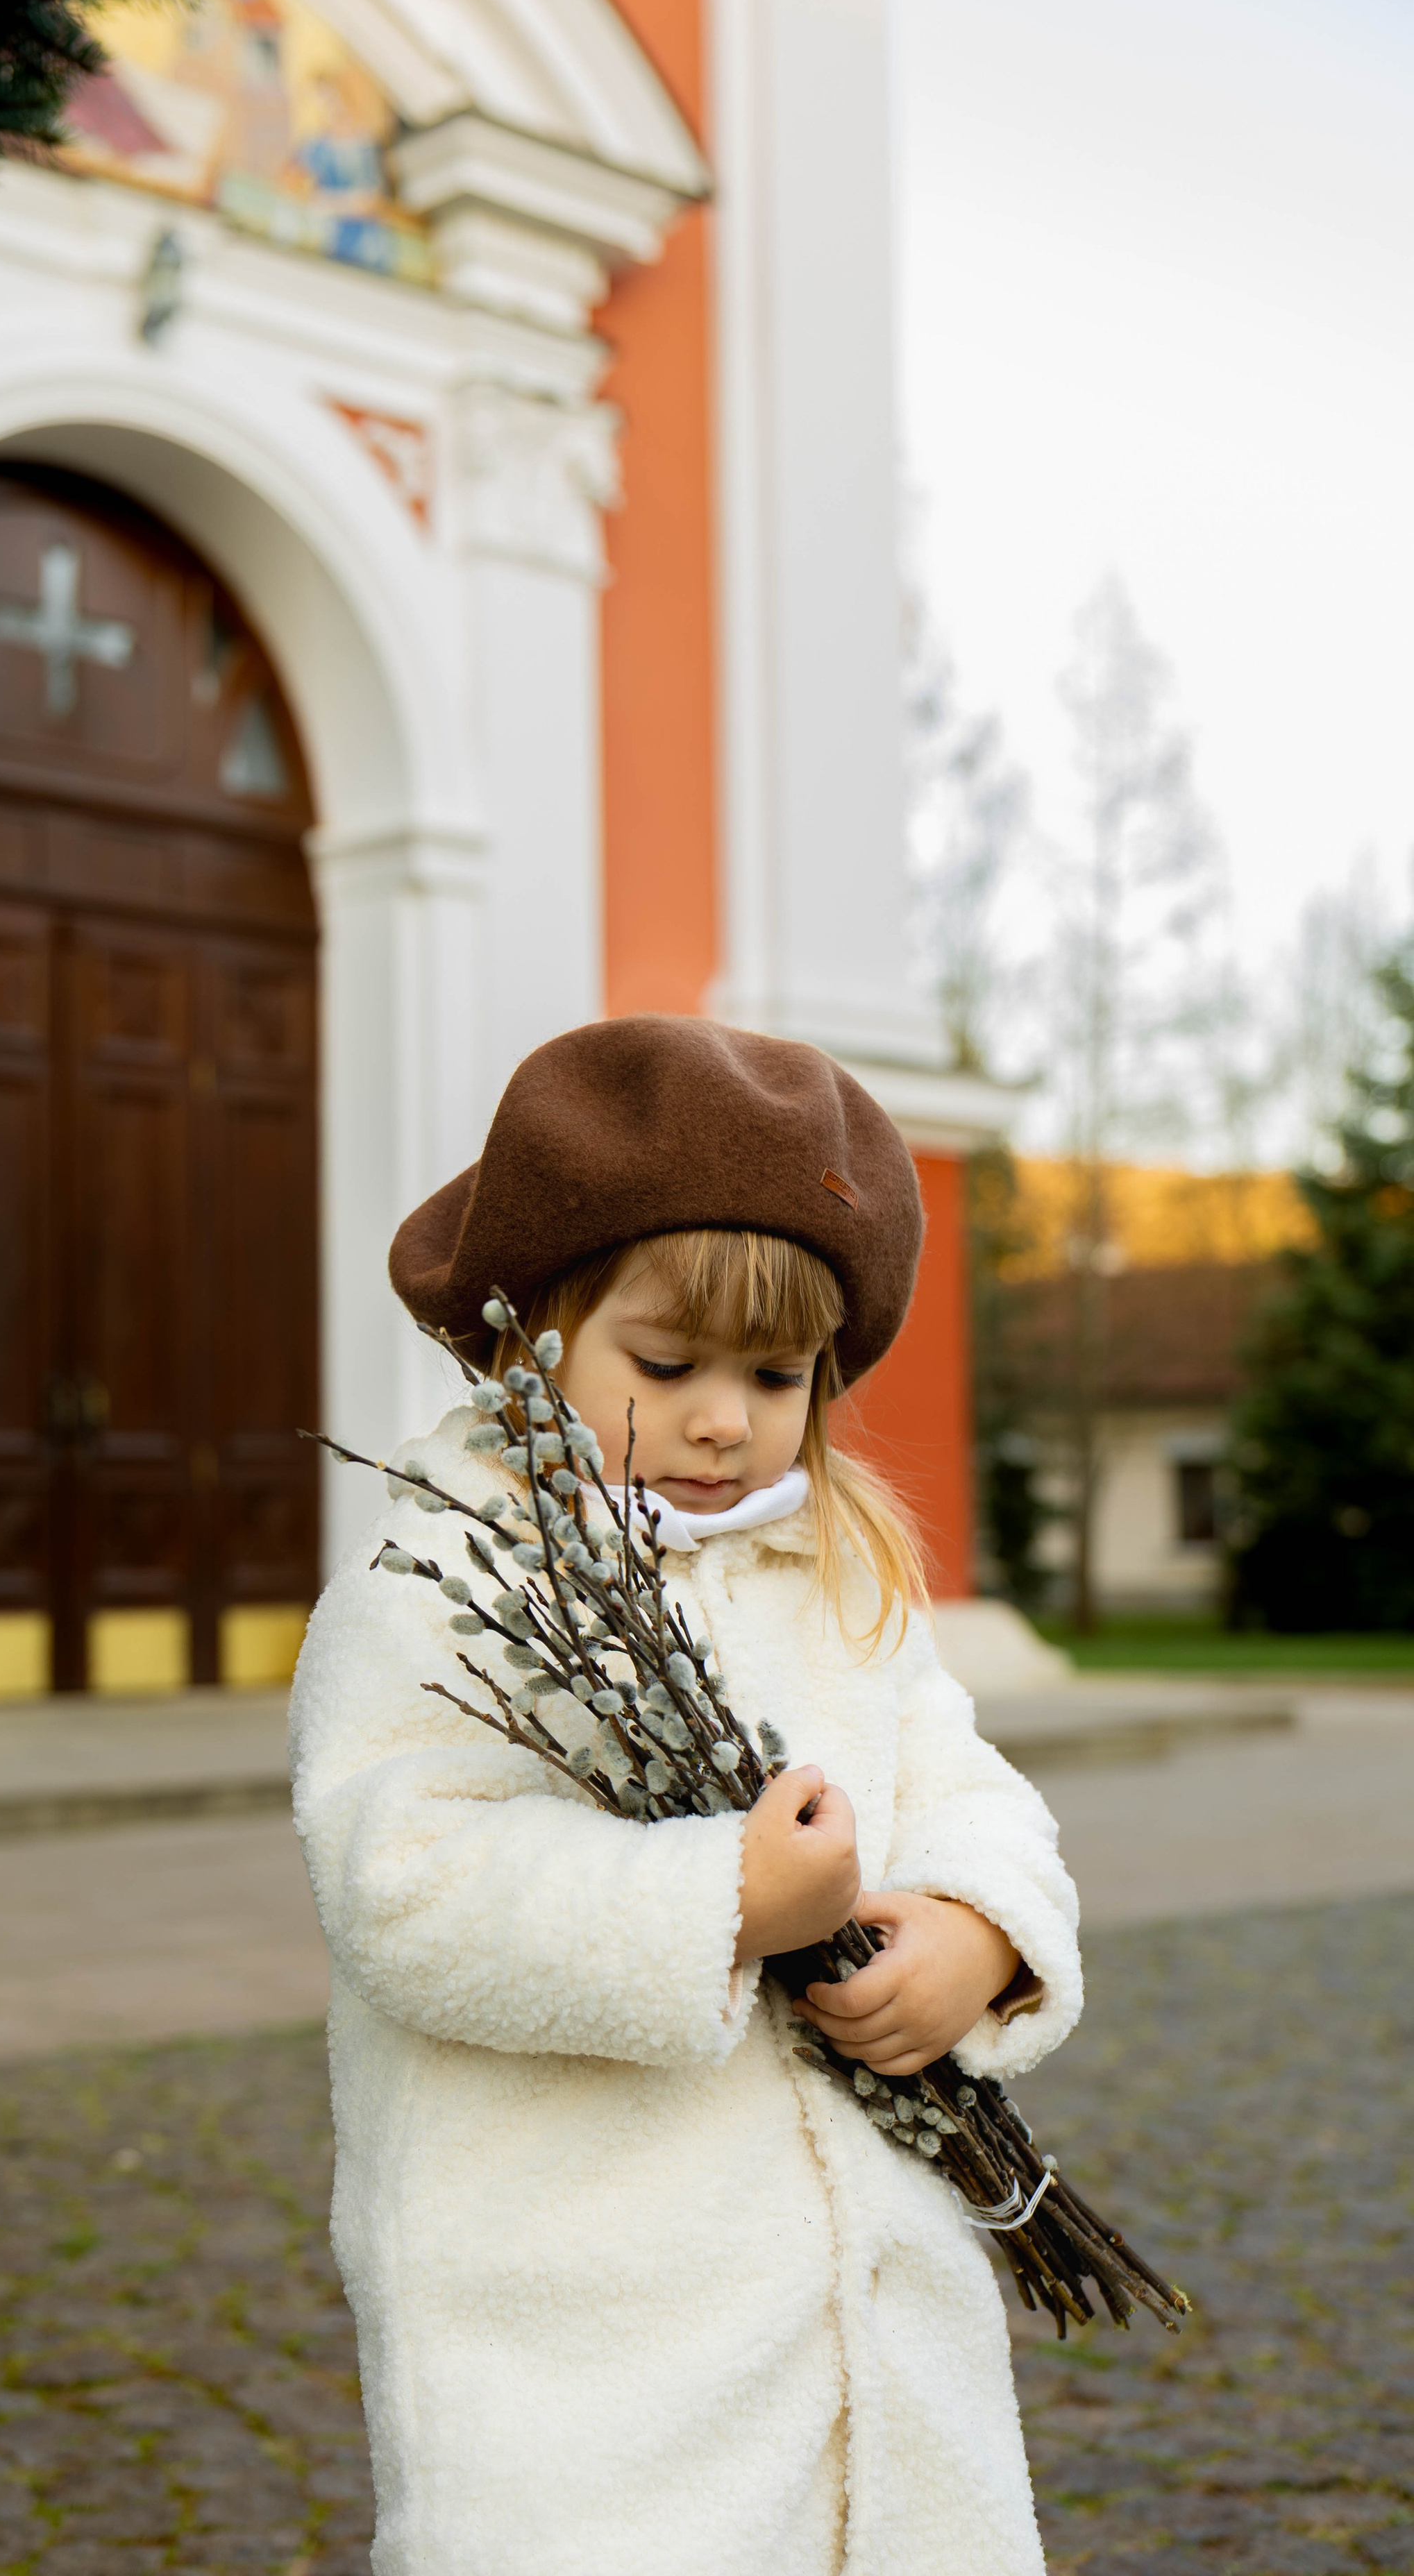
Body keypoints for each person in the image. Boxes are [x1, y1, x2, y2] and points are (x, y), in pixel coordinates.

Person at [289, 1015, 1081, 2576]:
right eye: (667, 1364)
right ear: (534, 1344)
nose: (724, 1417)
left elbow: (961, 1779)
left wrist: (975, 1934)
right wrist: (715, 1901)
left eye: (775, 1373)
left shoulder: (839, 1570)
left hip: (866, 2299)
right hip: (581, 2306)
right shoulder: (445, 1575)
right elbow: (405, 1876)